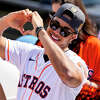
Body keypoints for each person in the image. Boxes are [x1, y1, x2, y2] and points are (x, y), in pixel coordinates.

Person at [0, 3, 88, 100]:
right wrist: (7, 20)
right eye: (55, 25)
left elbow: (70, 76)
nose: (56, 32)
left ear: (73, 36)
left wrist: (40, 31)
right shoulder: (30, 52)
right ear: (50, 21)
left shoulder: (76, 62)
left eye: (65, 31)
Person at [51, 0, 100, 87]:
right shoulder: (46, 41)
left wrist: (77, 81)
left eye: (64, 18)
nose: (57, 31)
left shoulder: (93, 45)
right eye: (54, 15)